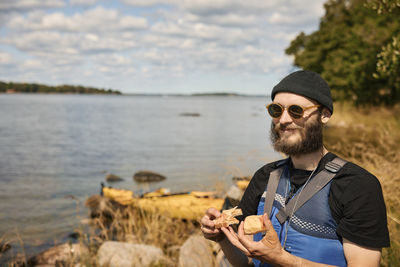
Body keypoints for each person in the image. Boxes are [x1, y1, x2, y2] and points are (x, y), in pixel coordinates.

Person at [200, 70, 390, 267]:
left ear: (324, 115)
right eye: (276, 110)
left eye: (295, 110)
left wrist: (283, 259)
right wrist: (220, 237)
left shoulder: (357, 185)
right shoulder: (265, 176)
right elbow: (243, 263)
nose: (283, 120)